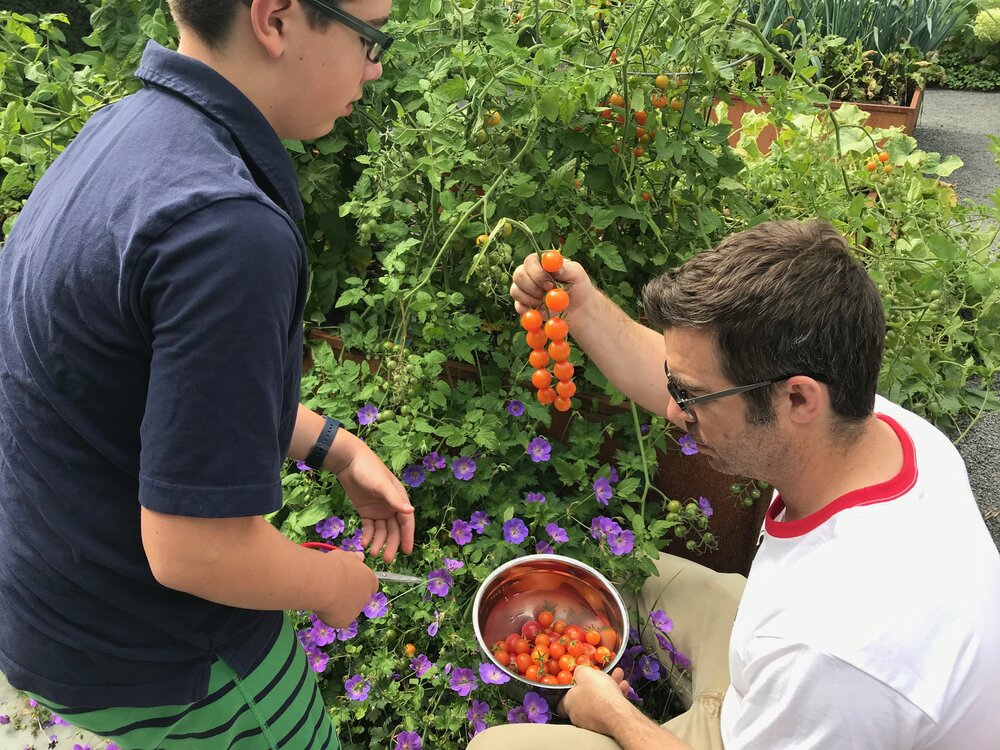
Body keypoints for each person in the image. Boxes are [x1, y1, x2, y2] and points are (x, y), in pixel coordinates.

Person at [0, 1, 412, 748]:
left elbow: (139, 393)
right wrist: (334, 587)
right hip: (166, 656)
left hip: (53, 605)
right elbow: (194, 549)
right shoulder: (226, 230)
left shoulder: (129, 135)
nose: (376, 66)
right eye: (370, 36)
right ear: (277, 19)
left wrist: (337, 449)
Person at [469, 219, 1000, 750]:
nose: (674, 410)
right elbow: (686, 376)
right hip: (777, 681)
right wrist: (580, 308)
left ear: (796, 399)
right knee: (617, 575)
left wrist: (612, 715)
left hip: (789, 707)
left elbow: (822, 656)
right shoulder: (876, 429)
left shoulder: (836, 649)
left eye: (693, 397)